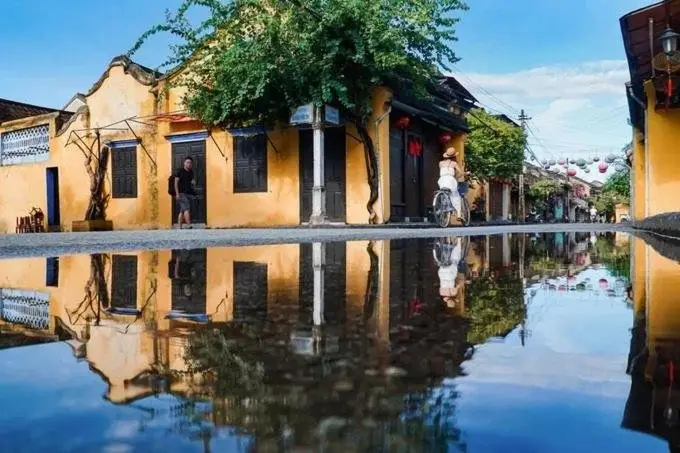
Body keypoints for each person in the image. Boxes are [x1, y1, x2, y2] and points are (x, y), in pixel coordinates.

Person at [436, 146, 463, 221]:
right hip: (450, 180)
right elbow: (460, 173)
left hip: (442, 180)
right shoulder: (454, 163)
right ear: (454, 156)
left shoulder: (440, 163)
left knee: (444, 193)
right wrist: (457, 177)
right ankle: (459, 214)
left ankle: (443, 207)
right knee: (455, 195)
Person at [174, 156, 196, 229]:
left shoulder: (191, 172)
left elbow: (192, 181)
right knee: (187, 208)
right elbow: (176, 183)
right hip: (181, 193)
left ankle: (179, 226)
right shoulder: (179, 171)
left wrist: (193, 182)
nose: (189, 164)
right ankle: (189, 225)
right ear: (184, 163)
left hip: (188, 193)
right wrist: (177, 194)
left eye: (190, 163)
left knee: (182, 210)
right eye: (187, 162)